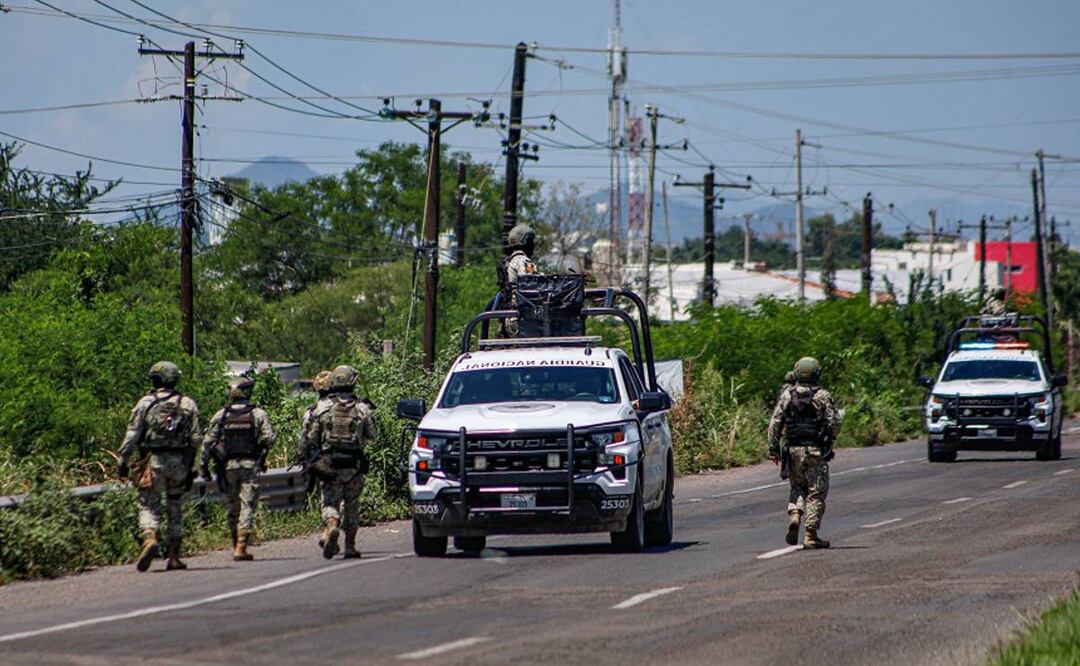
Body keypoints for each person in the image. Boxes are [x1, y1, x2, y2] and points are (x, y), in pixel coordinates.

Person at [117, 361, 202, 572]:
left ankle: (150, 538)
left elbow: (132, 435)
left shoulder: (145, 403)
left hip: (152, 461)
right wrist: (192, 465)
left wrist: (123, 460)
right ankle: (173, 557)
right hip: (179, 463)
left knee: (148, 504)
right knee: (175, 505)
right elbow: (196, 438)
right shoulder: (187, 403)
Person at [302, 365, 378, 559]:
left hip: (330, 464)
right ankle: (350, 546)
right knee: (352, 504)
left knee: (330, 502)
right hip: (354, 465)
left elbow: (311, 438)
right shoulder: (361, 408)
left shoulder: (322, 408)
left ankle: (332, 524)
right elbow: (373, 435)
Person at [767, 357, 841, 549]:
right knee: (816, 492)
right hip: (815, 451)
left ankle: (795, 513)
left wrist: (773, 449)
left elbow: (775, 423)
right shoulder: (823, 396)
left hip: (792, 451)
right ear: (816, 373)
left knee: (797, 487)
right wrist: (830, 438)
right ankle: (810, 535)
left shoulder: (787, 395)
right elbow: (834, 423)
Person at [200, 377, 276, 561]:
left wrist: (204, 466)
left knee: (233, 505)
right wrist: (260, 448)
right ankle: (241, 546)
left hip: (229, 466)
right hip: (249, 465)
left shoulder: (222, 415)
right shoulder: (258, 414)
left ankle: (235, 544)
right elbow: (269, 438)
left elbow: (208, 442)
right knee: (247, 504)